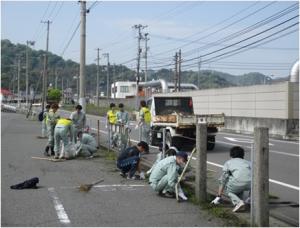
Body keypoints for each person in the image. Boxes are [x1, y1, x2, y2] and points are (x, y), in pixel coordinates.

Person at [211, 146, 251, 213]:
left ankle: (239, 203)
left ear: (231, 155)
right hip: (251, 185)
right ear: (243, 155)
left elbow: (223, 179)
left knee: (229, 189)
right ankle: (249, 200)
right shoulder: (248, 162)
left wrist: (219, 196)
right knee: (240, 186)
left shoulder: (228, 163)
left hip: (237, 183)